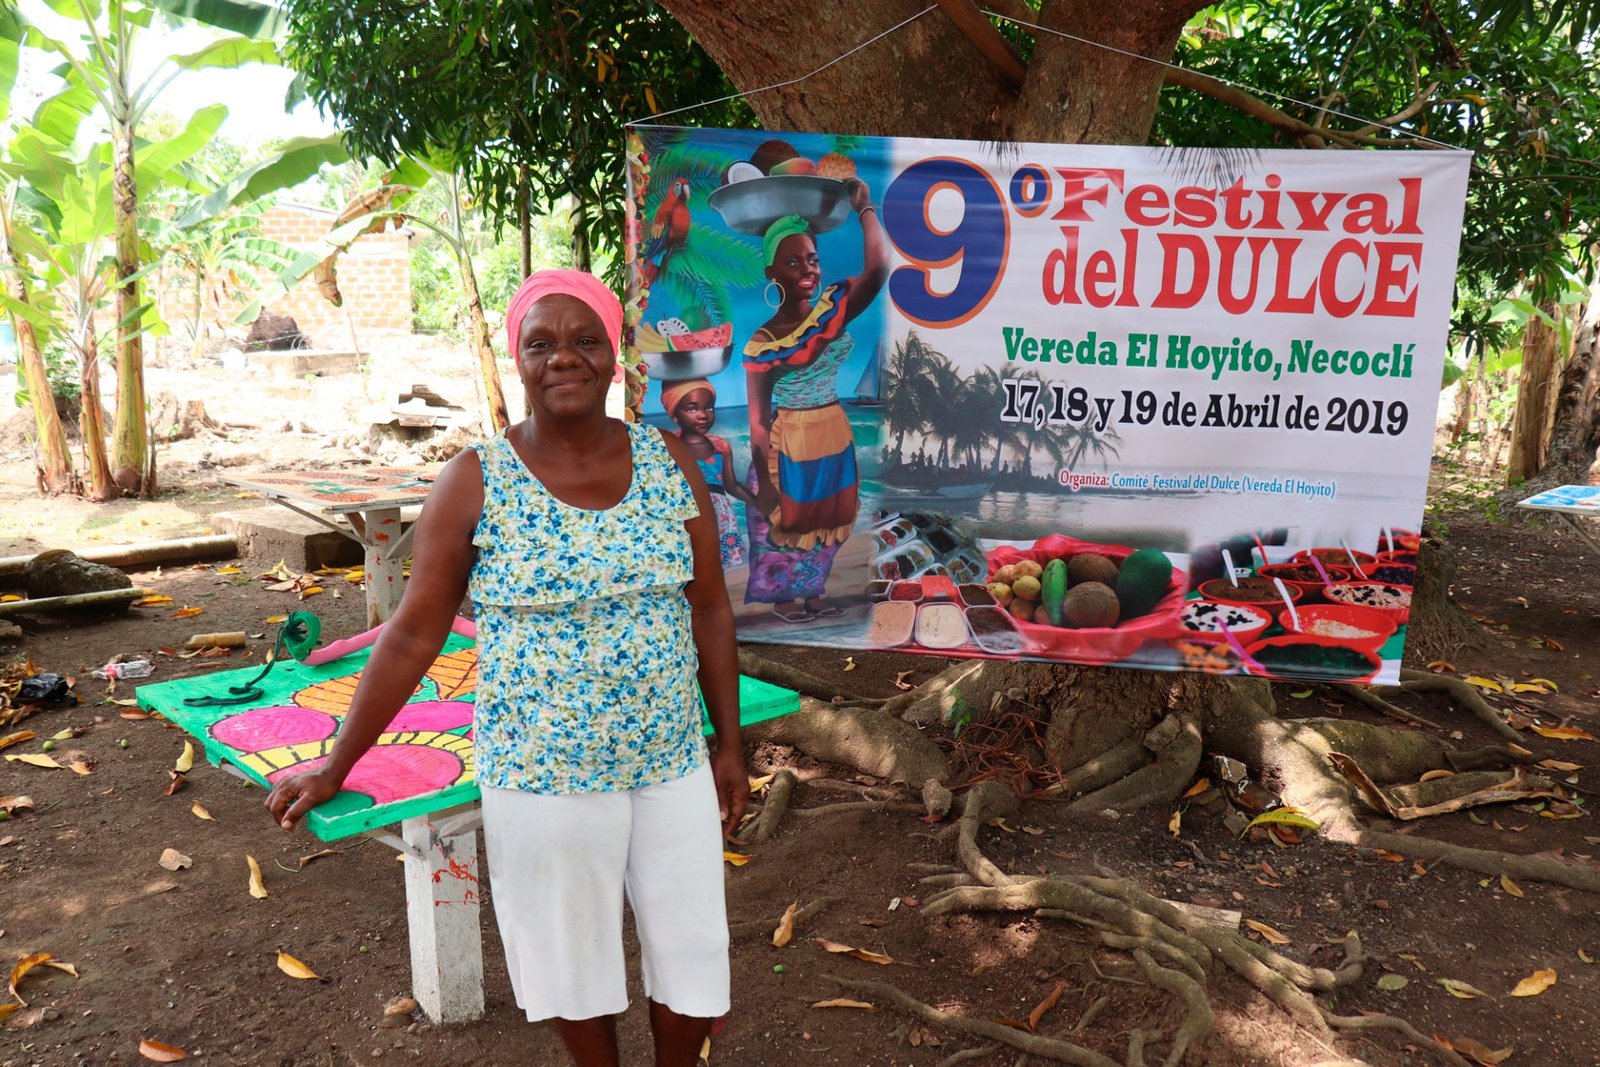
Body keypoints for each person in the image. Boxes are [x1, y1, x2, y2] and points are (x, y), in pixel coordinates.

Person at [265, 269, 747, 1067]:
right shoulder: (476, 480)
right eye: (542, 342)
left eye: (585, 339)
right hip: (543, 768)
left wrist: (726, 744)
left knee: (692, 946)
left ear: (614, 355)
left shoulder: (667, 461)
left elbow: (710, 611)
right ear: (516, 360)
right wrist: (335, 762)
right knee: (572, 961)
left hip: (668, 758)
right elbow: (414, 634)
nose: (565, 357)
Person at [743, 176, 888, 623]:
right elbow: (758, 420)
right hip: (788, 443)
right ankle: (784, 596)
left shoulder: (831, 312)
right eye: (792, 262)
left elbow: (879, 267)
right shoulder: (763, 343)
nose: (808, 269)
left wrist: (865, 209)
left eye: (812, 259)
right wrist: (766, 486)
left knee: (829, 517)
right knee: (784, 524)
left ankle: (814, 590)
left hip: (832, 433)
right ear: (771, 272)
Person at [662, 377, 757, 569]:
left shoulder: (720, 446)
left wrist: (758, 502)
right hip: (689, 514)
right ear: (674, 415)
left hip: (721, 516)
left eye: (709, 408)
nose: (702, 415)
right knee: (692, 565)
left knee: (717, 567)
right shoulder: (669, 447)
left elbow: (731, 485)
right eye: (691, 409)